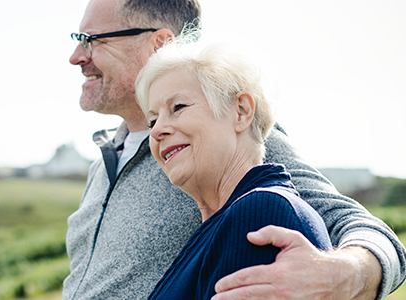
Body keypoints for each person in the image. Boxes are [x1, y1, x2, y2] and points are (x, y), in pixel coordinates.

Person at [64, 0, 406, 299]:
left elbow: (360, 227)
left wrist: (344, 276)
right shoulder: (104, 163)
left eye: (92, 41)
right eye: (155, 121)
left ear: (160, 44)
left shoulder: (230, 138)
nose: (76, 56)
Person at [135, 36, 333, 299]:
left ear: (241, 111)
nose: (158, 130)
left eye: (178, 107)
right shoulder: (222, 225)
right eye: (152, 121)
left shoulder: (260, 212)